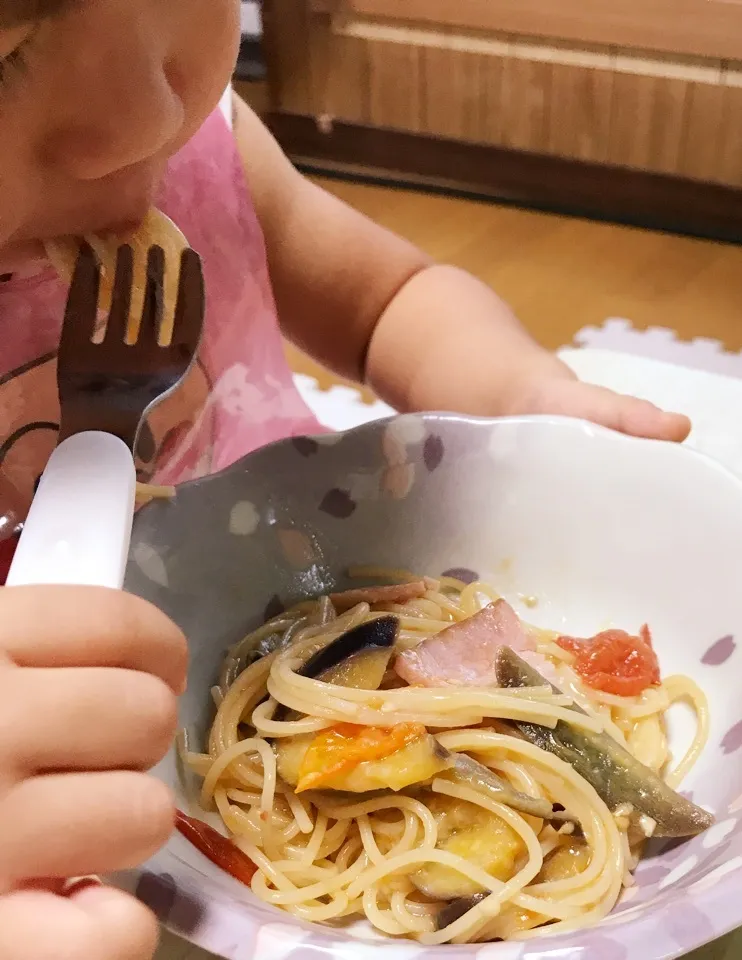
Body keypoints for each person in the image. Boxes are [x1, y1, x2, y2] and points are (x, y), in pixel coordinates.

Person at [0, 2, 691, 957]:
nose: (146, 111)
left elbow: (389, 302)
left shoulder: (211, 154)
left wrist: (521, 393)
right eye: (3, 60)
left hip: (321, 590)